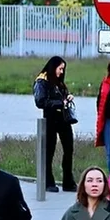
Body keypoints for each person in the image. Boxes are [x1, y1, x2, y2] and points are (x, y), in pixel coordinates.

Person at [33, 56, 77, 192]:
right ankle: (48, 181)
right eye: (60, 69)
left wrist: (67, 97)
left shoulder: (59, 82)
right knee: (49, 151)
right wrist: (59, 103)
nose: (62, 72)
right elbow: (40, 102)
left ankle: (68, 182)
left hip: (63, 118)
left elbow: (60, 95)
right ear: (53, 68)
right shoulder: (42, 81)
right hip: (50, 119)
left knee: (69, 149)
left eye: (63, 69)